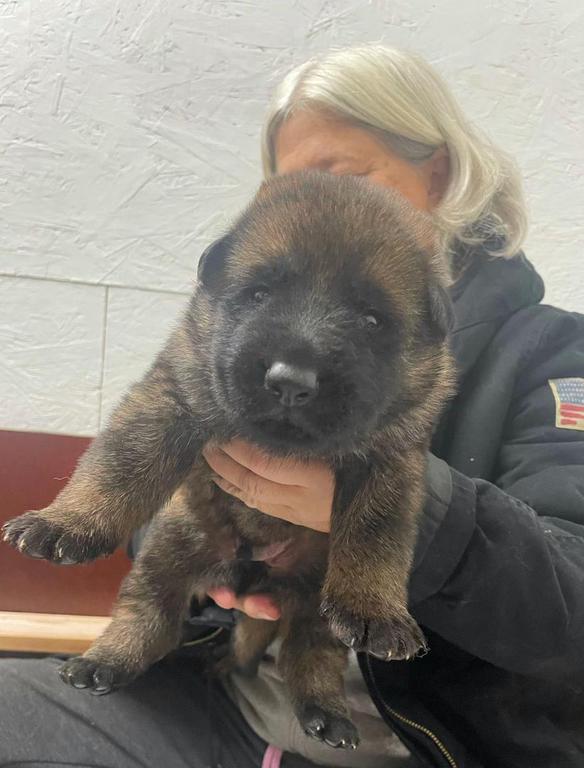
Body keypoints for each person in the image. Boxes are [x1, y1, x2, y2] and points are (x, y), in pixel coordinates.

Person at [1, 44, 583, 768]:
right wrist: (197, 539)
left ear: (438, 173)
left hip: (432, 748)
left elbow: (572, 601)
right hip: (223, 699)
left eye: (343, 173)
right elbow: (156, 438)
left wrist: (403, 518)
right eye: (291, 184)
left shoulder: (554, 356)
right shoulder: (231, 327)